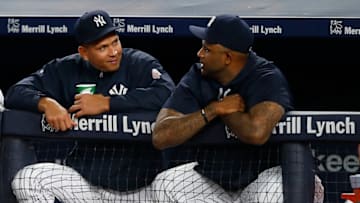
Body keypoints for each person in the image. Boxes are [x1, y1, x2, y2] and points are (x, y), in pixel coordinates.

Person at [5, 9, 175, 203]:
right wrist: (46, 103)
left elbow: (168, 93)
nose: (113, 52)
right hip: (86, 186)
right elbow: (16, 92)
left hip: (143, 189)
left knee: (173, 184)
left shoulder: (139, 64)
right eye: (102, 47)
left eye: (115, 42)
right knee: (28, 180)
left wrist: (108, 103)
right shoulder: (66, 69)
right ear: (84, 52)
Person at [152, 14, 324, 203]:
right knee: (166, 183)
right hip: (216, 181)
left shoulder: (266, 77)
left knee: (273, 196)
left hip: (264, 178)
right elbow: (161, 136)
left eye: (207, 49)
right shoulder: (197, 76)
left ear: (227, 57)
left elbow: (256, 133)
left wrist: (229, 113)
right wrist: (213, 110)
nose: (199, 54)